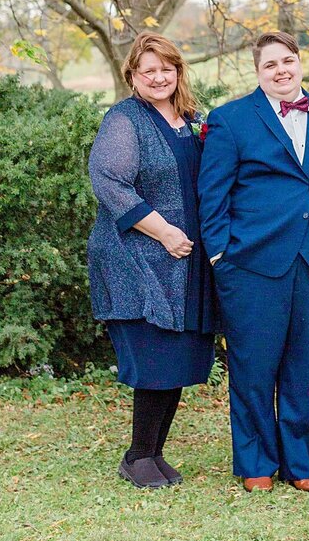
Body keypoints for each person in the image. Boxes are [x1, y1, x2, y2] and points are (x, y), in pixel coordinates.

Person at [197, 31, 309, 493]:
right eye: (270, 65)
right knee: (254, 367)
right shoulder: (230, 120)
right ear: (257, 72)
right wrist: (222, 256)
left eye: (288, 61)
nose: (281, 71)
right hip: (252, 263)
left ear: (300, 63)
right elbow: (212, 195)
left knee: (306, 367)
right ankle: (256, 462)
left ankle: (301, 466)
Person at [87, 33, 216, 489]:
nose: (159, 77)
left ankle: (153, 453)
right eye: (149, 71)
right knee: (155, 354)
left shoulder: (193, 120)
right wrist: (163, 231)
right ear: (133, 77)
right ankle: (138, 455)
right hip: (138, 255)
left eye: (166, 69)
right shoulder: (125, 120)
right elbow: (109, 182)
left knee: (178, 358)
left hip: (184, 260)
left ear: (178, 72)